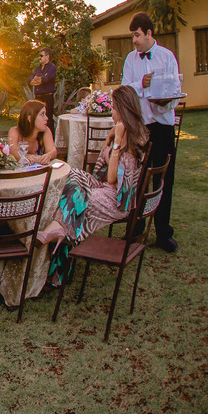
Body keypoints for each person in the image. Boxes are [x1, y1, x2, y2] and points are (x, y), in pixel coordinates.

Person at [39, 85, 148, 281]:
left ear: (123, 109)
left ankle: (58, 269)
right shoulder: (120, 131)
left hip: (116, 199)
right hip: (104, 186)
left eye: (114, 108)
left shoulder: (133, 137)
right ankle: (60, 229)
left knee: (75, 204)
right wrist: (110, 137)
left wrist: (116, 142)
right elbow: (101, 170)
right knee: (71, 175)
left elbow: (114, 178)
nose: (111, 112)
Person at [121, 11, 180, 252]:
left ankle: (163, 233)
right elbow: (125, 90)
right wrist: (140, 84)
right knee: (139, 179)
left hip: (163, 126)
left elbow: (175, 87)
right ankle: (136, 228)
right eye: (132, 36)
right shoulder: (130, 60)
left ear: (148, 33)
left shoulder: (167, 57)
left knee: (163, 179)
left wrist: (167, 102)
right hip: (140, 128)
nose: (134, 40)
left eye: (137, 35)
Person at [7, 99, 58, 164]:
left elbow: (53, 151)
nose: (46, 118)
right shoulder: (14, 132)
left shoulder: (45, 131)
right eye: (42, 114)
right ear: (30, 118)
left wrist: (48, 155)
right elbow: (12, 151)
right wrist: (24, 158)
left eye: (45, 114)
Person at [29, 47, 58, 131]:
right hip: (38, 97)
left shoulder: (52, 68)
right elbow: (30, 79)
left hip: (47, 97)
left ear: (47, 56)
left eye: (41, 55)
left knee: (48, 119)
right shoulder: (37, 68)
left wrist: (38, 79)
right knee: (36, 118)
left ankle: (50, 141)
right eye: (39, 56)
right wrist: (38, 79)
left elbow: (46, 79)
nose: (39, 57)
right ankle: (39, 140)